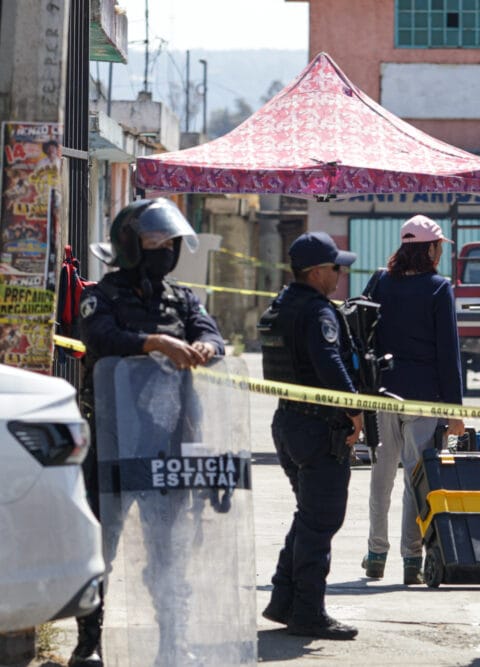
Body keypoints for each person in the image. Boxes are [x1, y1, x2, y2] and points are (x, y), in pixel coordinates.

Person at [75, 198, 225, 667]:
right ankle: (89, 642)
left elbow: (214, 336)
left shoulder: (181, 298)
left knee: (169, 550)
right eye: (155, 241)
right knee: (101, 548)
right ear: (130, 245)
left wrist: (204, 344)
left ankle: (172, 643)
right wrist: (151, 342)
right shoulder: (104, 293)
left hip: (167, 444)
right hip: (113, 441)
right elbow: (98, 336)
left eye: (170, 242)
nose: (165, 250)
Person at [257, 232, 363, 640]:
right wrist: (354, 411)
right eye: (336, 268)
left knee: (309, 516)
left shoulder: (282, 303)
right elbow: (330, 365)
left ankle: (283, 600)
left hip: (289, 423)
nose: (341, 274)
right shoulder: (318, 313)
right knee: (322, 521)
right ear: (317, 271)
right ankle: (309, 613)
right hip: (319, 428)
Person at [361, 214, 465, 585]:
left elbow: (364, 337)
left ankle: (376, 553)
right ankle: (411, 559)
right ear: (431, 249)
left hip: (382, 391)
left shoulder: (380, 284)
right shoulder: (439, 289)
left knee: (381, 474)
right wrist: (454, 411)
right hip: (424, 396)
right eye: (439, 246)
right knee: (414, 478)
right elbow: (448, 354)